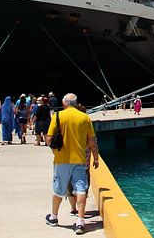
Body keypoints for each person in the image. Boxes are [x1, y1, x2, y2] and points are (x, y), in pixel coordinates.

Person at [45, 93, 99, 235]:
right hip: (80, 159)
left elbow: (49, 138)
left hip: (62, 160)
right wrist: (95, 158)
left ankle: (54, 217)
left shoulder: (58, 116)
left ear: (64, 104)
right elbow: (92, 141)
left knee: (58, 189)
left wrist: (55, 151)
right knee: (81, 189)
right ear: (76, 104)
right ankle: (80, 221)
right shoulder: (85, 118)